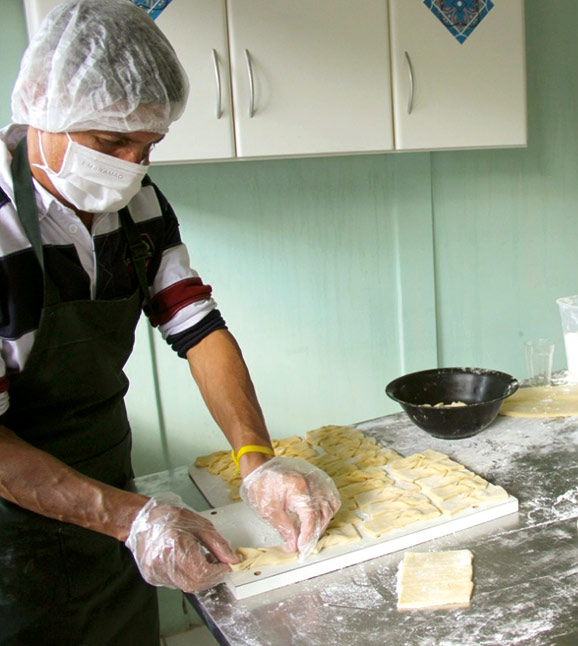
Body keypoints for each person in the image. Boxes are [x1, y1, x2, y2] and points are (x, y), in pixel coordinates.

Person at [0, 1, 340, 644]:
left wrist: (255, 459)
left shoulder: (138, 204)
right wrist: (130, 520)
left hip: (111, 487)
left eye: (148, 146)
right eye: (109, 143)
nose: (130, 165)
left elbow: (198, 328)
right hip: (12, 539)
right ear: (41, 105)